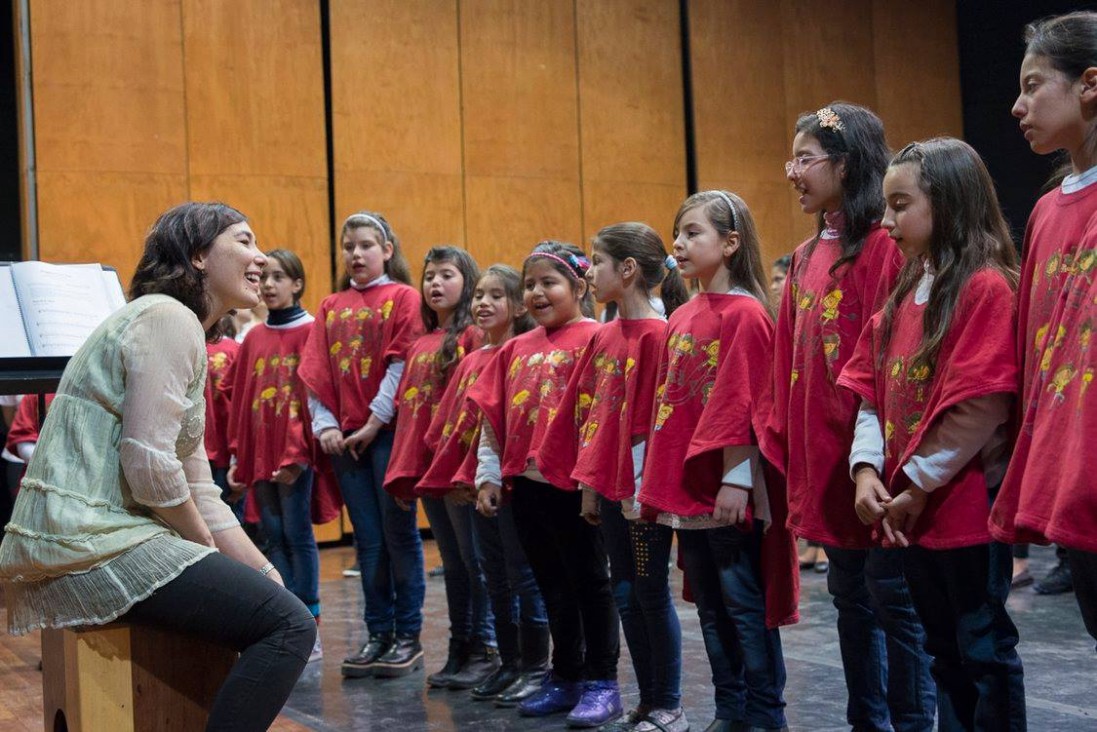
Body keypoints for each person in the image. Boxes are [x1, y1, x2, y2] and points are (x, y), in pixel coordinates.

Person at [0, 202, 316, 732]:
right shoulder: (167, 318)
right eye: (244, 241)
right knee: (289, 627)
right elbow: (148, 467)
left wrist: (262, 572)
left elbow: (197, 486)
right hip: (96, 540)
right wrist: (207, 552)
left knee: (278, 605)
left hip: (99, 536)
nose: (260, 258)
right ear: (197, 256)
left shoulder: (173, 323)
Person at [840, 138, 1026, 731]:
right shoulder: (900, 297)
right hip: (911, 509)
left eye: (900, 205)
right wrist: (866, 470)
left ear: (945, 203)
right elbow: (871, 394)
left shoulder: (985, 288)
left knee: (982, 650)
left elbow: (983, 407)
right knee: (942, 652)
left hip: (965, 509)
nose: (886, 220)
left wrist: (916, 483)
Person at [767, 103, 935, 731]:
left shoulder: (887, 250)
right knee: (849, 603)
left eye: (805, 158)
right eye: (793, 158)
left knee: (894, 604)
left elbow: (898, 362)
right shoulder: (808, 253)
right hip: (826, 460)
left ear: (844, 163)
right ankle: (868, 721)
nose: (793, 172)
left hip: (876, 463)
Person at [638, 190, 798, 732]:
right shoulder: (682, 314)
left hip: (728, 492)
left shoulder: (748, 314)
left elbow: (746, 404)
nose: (678, 245)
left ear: (730, 243)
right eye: (677, 234)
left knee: (743, 607)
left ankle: (764, 715)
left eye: (692, 233)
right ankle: (730, 710)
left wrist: (735, 481)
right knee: (709, 606)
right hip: (691, 491)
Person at [537, 222, 689, 732]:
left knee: (650, 592)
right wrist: (589, 485)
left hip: (641, 492)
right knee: (623, 591)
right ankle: (646, 702)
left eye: (598, 262)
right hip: (608, 488)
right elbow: (590, 416)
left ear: (627, 270)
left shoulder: (659, 336)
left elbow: (656, 422)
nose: (590, 271)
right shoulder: (605, 336)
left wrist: (640, 491)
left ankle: (667, 702)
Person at [469, 242, 622, 727]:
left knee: (590, 583)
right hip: (526, 484)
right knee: (551, 584)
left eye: (549, 283)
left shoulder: (596, 338)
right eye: (530, 284)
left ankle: (603, 680)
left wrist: (594, 481)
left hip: (577, 485)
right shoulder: (515, 347)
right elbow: (494, 420)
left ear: (579, 287)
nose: (537, 292)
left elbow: (605, 412)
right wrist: (489, 476)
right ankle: (566, 676)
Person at [990, 10, 1097, 650]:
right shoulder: (1047, 211)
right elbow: (1035, 347)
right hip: (1073, 466)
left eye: (1033, 85)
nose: (1017, 105)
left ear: (1089, 83)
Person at [298, 211, 427, 678]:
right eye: (349, 246)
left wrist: (374, 421)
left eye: (366, 245)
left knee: (399, 536)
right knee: (368, 542)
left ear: (387, 250)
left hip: (387, 435)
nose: (356, 254)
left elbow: (401, 365)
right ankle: (379, 633)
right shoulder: (332, 305)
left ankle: (408, 635)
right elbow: (316, 372)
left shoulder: (404, 298)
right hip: (347, 440)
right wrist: (326, 425)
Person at [418, 265, 550, 705]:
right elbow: (453, 426)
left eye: (496, 295)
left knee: (521, 575)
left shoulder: (518, 352)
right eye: (479, 295)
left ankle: (535, 666)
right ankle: (508, 663)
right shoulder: (472, 359)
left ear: (516, 306)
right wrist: (456, 475)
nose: (482, 303)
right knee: (491, 573)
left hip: (509, 482)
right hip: (475, 484)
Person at [382, 246, 497, 688]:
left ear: (466, 282)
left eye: (446, 275)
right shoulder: (420, 343)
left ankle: (483, 648)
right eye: (429, 276)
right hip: (428, 471)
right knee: (452, 562)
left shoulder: (472, 339)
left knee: (474, 561)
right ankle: (460, 645)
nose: (434, 284)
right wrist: (404, 471)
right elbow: (410, 418)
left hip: (457, 470)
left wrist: (467, 468)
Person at [224, 248, 337, 664]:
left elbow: (313, 398)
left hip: (294, 455)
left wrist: (300, 454)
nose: (269, 285)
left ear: (297, 284)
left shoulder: (310, 331)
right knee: (270, 535)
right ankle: (282, 620)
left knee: (296, 534)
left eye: (278, 278)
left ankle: (308, 623)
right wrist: (238, 454)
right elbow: (242, 401)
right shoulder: (252, 336)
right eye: (264, 277)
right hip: (258, 452)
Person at [206, 316, 242, 521]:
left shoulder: (192, 347)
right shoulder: (237, 350)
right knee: (231, 517)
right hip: (229, 447)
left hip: (198, 449)